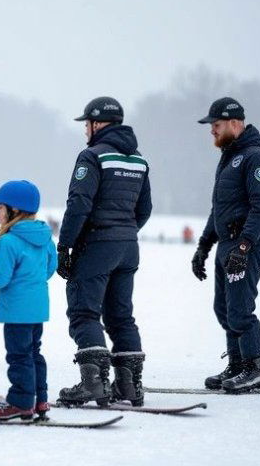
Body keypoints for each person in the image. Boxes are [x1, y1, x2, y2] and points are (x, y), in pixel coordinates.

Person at [57, 96, 152, 407]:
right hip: (128, 247)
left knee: (84, 311)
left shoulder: (92, 156)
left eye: (87, 124)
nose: (85, 130)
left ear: (98, 124)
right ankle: (130, 386)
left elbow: (79, 204)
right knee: (121, 315)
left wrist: (66, 244)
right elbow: (145, 209)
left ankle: (93, 383)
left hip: (97, 244)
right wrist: (125, 231)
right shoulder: (139, 159)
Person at [191, 97, 260, 394]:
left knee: (240, 309)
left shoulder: (255, 158)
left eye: (216, 125)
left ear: (235, 123)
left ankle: (257, 369)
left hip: (244, 245)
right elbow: (219, 209)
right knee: (223, 308)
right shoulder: (229, 157)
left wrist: (244, 247)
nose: (212, 131)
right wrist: (203, 245)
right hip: (225, 244)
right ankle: (238, 365)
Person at [0, 181, 57, 421]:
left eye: (0, 208)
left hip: (16, 311)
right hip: (37, 308)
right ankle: (40, 399)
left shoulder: (8, 242)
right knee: (34, 353)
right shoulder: (45, 237)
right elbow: (50, 268)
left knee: (18, 357)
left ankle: (21, 402)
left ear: (14, 210)